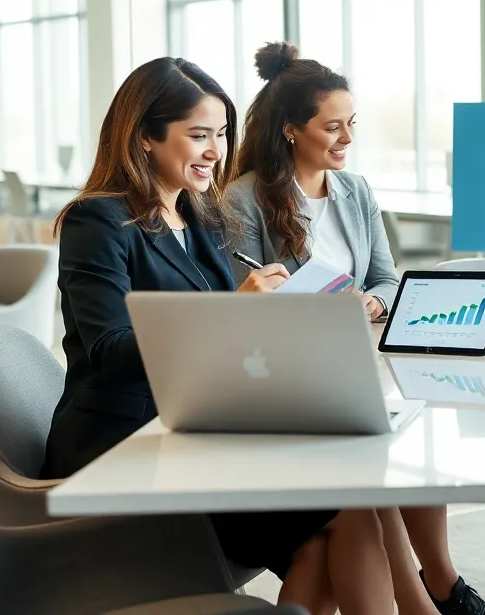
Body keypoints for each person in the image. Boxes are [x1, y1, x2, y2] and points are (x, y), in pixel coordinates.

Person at [41, 56, 395, 615]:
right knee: (339, 516)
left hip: (197, 431)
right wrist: (235, 312)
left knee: (351, 513)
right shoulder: (98, 222)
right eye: (198, 135)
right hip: (124, 444)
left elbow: (230, 350)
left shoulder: (201, 218)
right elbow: (111, 353)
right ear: (144, 139)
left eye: (223, 134)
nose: (216, 151)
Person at [224, 41, 485, 615]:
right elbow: (242, 302)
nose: (347, 138)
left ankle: (438, 587)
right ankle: (436, 596)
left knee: (417, 438)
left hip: (368, 359)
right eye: (333, 127)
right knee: (376, 474)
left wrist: (371, 304)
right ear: (291, 130)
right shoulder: (244, 201)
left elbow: (387, 279)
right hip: (297, 375)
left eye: (352, 124)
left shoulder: (356, 190)